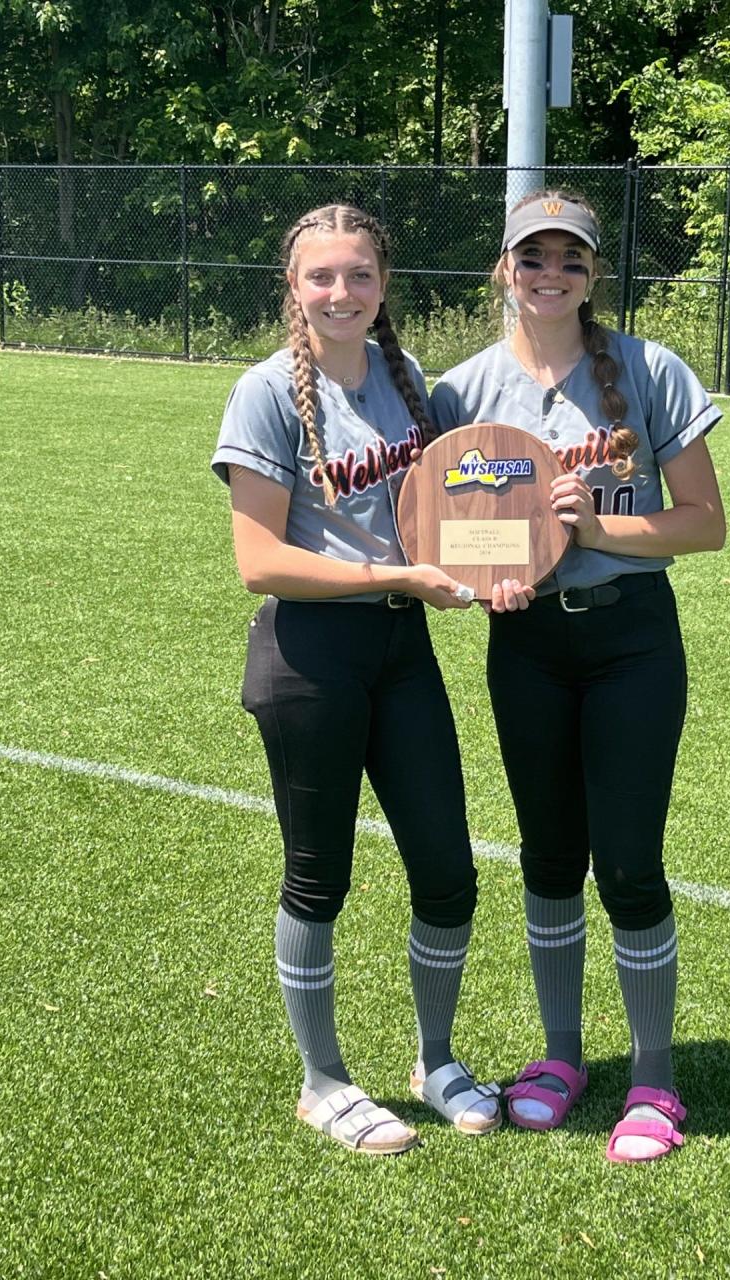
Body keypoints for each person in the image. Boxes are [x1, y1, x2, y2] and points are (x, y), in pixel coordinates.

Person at [430, 190, 726, 1163]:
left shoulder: (648, 369)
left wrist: (594, 528)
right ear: (504, 268)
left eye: (570, 259)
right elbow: (443, 532)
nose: (549, 273)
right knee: (550, 859)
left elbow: (703, 523)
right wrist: (482, 585)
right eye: (532, 257)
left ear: (593, 273)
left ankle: (654, 1074)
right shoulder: (462, 391)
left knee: (628, 863)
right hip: (529, 648)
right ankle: (560, 1056)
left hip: (633, 639)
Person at [211, 204, 501, 1156]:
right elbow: (259, 561)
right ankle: (323, 1080)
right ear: (294, 290)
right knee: (317, 879)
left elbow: (469, 494)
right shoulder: (263, 393)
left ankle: (436, 1058)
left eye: (360, 275)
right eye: (322, 277)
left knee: (449, 871)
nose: (342, 293)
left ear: (384, 287)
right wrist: (399, 578)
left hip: (400, 652)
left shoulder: (407, 379)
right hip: (310, 661)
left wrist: (516, 550)